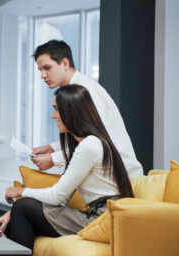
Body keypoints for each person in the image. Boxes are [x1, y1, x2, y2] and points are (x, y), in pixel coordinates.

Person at [0, 84, 135, 256]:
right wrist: (13, 212)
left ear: (71, 111)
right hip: (98, 215)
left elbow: (57, 196)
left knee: (23, 207)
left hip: (101, 219)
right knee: (20, 213)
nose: (53, 116)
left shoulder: (89, 146)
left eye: (56, 109)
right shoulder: (89, 143)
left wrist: (20, 193)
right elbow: (62, 197)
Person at [31, 40, 143, 178]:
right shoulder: (72, 91)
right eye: (40, 70)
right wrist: (53, 147)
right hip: (104, 175)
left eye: (47, 68)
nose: (42, 75)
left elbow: (98, 140)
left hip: (120, 178)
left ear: (65, 63)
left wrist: (54, 159)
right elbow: (85, 132)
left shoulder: (86, 91)